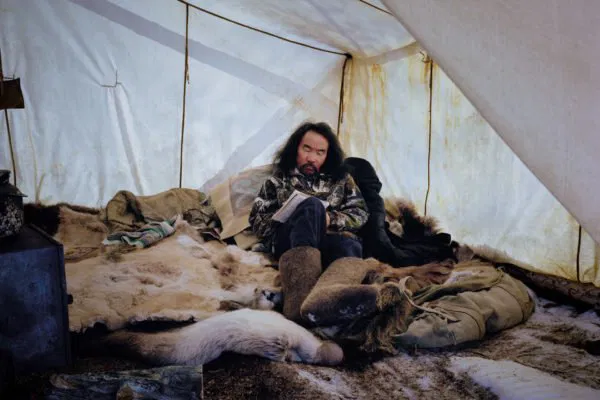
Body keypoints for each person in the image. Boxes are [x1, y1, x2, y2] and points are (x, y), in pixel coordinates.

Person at [249, 122, 369, 322]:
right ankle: (298, 304)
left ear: (328, 155)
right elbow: (256, 220)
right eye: (307, 149)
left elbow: (361, 213)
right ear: (296, 148)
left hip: (326, 239)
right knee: (312, 206)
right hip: (290, 243)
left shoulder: (342, 180)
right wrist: (287, 217)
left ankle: (328, 303)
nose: (312, 158)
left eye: (320, 153)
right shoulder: (277, 180)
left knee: (349, 244)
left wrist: (331, 219)